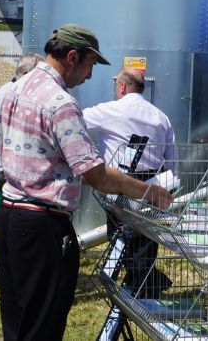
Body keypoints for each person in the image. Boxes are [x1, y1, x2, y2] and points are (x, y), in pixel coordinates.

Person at [0, 24, 172, 340]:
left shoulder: (14, 89)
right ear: (73, 56)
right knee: (41, 326)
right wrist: (149, 192)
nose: (89, 76)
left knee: (17, 319)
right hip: (41, 225)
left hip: (9, 215)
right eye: (90, 65)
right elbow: (95, 174)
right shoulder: (60, 102)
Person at [83, 67, 176, 296]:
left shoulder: (109, 110)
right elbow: (172, 158)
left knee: (119, 231)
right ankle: (143, 281)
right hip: (151, 182)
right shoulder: (160, 116)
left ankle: (137, 285)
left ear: (122, 87)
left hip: (118, 181)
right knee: (146, 235)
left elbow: (76, 122)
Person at [0, 53, 42, 284]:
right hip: (11, 166)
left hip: (2, 164)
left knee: (4, 213)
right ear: (26, 73)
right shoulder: (19, 92)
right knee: (14, 215)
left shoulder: (4, 90)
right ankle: (1, 263)